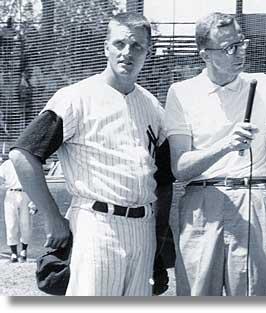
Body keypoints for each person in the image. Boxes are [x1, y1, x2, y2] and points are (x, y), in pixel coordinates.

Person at [9, 12, 166, 296]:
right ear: (105, 47)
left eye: (137, 46)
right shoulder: (76, 97)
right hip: (97, 225)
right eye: (119, 44)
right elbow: (23, 154)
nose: (127, 53)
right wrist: (53, 217)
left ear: (148, 52)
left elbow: (165, 176)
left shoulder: (153, 107)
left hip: (143, 228)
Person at [164, 12, 266, 296]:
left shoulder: (265, 86)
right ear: (205, 54)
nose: (239, 52)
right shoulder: (181, 92)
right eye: (228, 48)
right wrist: (226, 145)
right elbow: (181, 167)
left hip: (254, 198)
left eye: (241, 43)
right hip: (201, 202)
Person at [0, 159, 35, 263]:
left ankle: (24, 250)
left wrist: (35, 201)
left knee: (26, 224)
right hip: (11, 194)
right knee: (11, 224)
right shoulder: (6, 164)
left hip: (27, 193)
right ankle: (14, 253)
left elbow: (35, 182)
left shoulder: (29, 162)